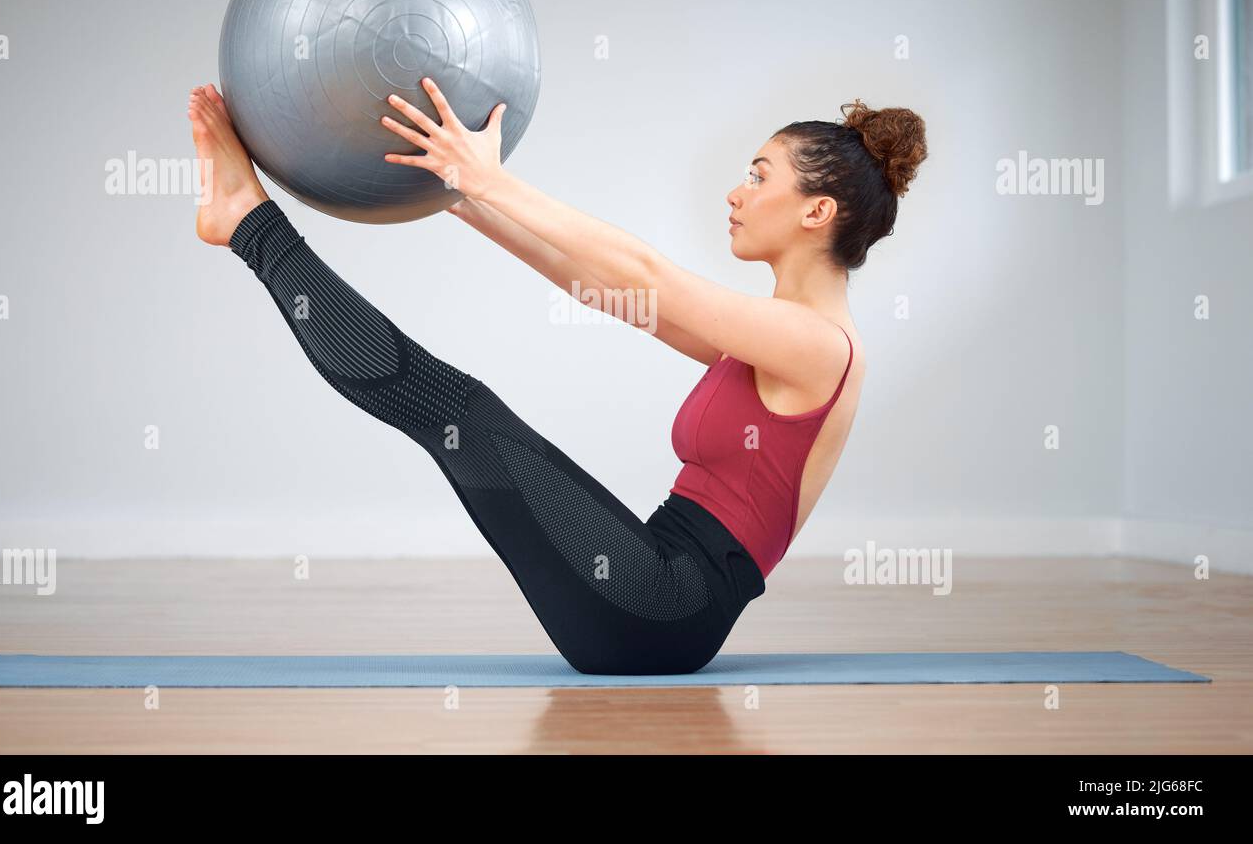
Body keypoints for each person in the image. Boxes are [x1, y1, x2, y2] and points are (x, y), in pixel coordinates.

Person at [186, 78, 927, 674]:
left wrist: (491, 180)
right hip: (652, 589)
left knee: (460, 413)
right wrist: (457, 195)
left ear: (817, 211)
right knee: (460, 415)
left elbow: (647, 272)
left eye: (758, 176)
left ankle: (249, 224)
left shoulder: (818, 346)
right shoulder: (772, 340)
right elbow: (600, 286)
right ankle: (248, 223)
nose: (736, 192)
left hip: (661, 608)